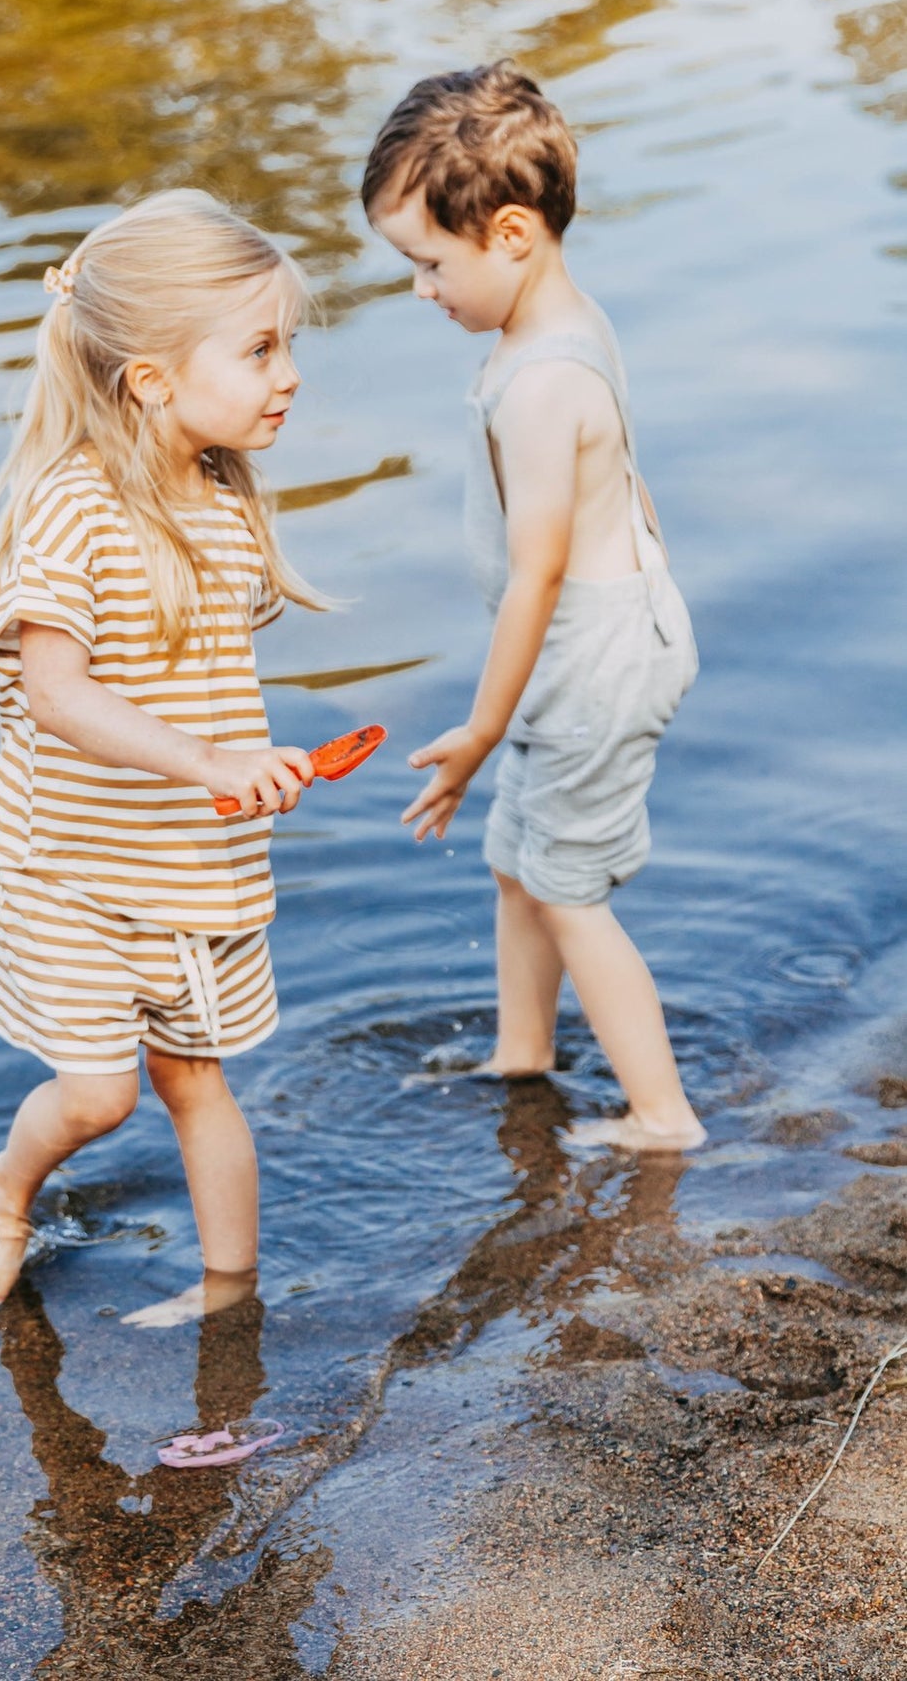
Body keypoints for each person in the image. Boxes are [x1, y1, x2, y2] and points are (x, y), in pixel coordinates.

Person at [0, 190, 328, 1313]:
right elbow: (55, 692)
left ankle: (229, 1293)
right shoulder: (71, 507)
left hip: (188, 864)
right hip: (66, 862)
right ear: (151, 377)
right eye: (259, 348)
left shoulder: (217, 498)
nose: (287, 372)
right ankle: (5, 1189)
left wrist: (254, 762)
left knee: (195, 1078)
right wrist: (211, 766)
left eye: (286, 344)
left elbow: (199, 681)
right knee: (102, 1092)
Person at [363, 62, 705, 1152]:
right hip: (603, 637)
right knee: (519, 861)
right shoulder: (559, 324)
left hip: (584, 656)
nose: (420, 288)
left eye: (427, 262)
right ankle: (523, 1054)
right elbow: (630, 481)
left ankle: (660, 1114)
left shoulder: (540, 380)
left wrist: (477, 729)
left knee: (564, 888)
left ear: (509, 233)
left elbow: (538, 569)